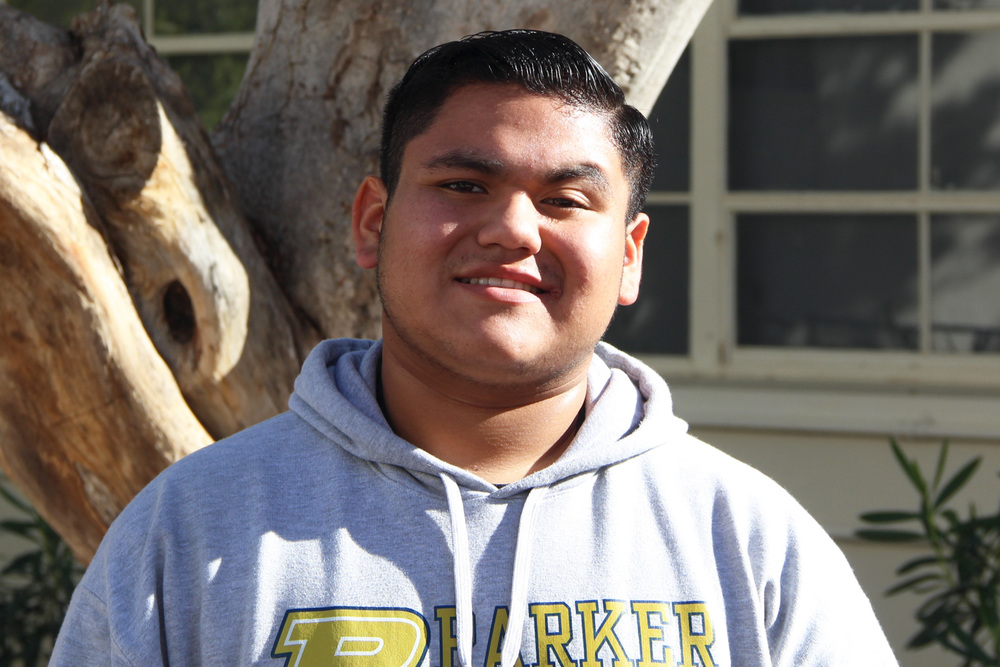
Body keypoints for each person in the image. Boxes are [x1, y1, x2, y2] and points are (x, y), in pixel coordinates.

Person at [52, 29, 898, 666]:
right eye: (464, 186)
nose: (512, 230)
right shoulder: (193, 529)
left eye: (566, 198)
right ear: (374, 223)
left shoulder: (745, 542)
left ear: (630, 254)